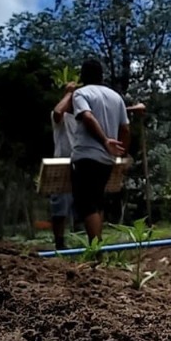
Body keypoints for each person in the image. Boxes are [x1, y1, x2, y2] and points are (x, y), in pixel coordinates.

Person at [65, 59, 130, 241]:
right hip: (106, 160)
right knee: (96, 202)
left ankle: (96, 250)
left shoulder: (81, 93)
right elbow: (125, 129)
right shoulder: (115, 97)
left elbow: (87, 116)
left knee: (86, 204)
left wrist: (104, 140)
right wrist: (120, 153)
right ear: (101, 76)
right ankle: (98, 249)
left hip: (86, 156)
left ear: (82, 76)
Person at [49, 81, 77, 252]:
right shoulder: (60, 117)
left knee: (87, 206)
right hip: (62, 162)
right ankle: (59, 243)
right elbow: (58, 111)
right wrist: (69, 92)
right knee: (59, 207)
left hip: (80, 162)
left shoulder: (83, 117)